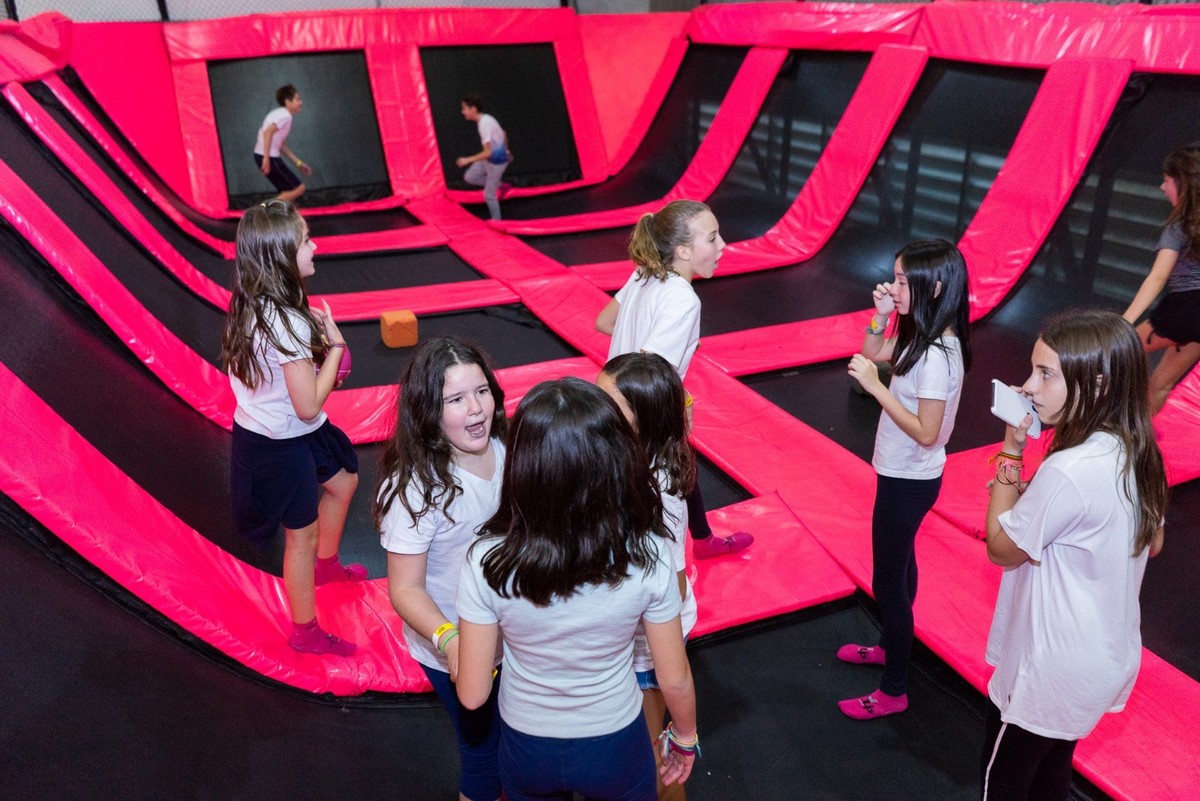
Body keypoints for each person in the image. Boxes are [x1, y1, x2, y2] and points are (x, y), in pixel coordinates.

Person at [455, 378, 698, 801]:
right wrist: (685, 736)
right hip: (613, 742)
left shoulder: (485, 559)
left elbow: (473, 694)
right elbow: (673, 678)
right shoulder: (649, 552)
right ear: (615, 458)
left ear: (523, 463)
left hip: (527, 745)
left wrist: (448, 641)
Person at [981, 310, 1167, 801]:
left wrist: (1010, 452)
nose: (1029, 386)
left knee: (1003, 784)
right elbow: (1152, 540)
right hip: (1100, 658)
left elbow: (1000, 549)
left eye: (1046, 374)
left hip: (1051, 665)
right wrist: (1045, 505)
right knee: (1051, 772)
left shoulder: (1071, 468)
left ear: (1097, 383)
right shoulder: (1139, 449)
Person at [220, 199, 365, 656]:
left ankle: (326, 566)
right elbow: (307, 404)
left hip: (286, 427)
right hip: (276, 442)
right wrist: (336, 348)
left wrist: (316, 356)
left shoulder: (259, 301)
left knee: (343, 481)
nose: (314, 246)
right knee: (301, 535)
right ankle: (305, 630)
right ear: (282, 257)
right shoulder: (284, 322)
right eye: (306, 241)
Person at [839, 239, 973, 719]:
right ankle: (890, 647)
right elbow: (872, 349)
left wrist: (876, 389)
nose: (892, 287)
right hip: (902, 474)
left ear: (932, 288)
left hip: (909, 479)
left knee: (888, 582)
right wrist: (880, 316)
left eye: (901, 281)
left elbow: (928, 433)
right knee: (901, 567)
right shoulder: (924, 336)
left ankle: (894, 689)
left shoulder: (936, 355)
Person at [375, 337, 507, 801]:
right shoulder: (418, 488)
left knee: (517, 738)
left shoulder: (506, 449)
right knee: (482, 752)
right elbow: (405, 589)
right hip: (454, 639)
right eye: (455, 400)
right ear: (429, 411)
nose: (475, 409)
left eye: (482, 391)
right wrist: (448, 639)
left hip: (511, 633)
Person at [594, 199, 753, 560]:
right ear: (683, 250)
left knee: (680, 458)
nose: (723, 245)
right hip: (641, 411)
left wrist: (656, 339)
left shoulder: (645, 273)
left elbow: (604, 322)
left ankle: (703, 537)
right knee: (656, 503)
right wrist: (683, 398)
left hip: (614, 401)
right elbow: (649, 369)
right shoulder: (683, 300)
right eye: (712, 238)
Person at [598, 352, 698, 801]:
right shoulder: (625, 460)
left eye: (609, 405)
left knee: (649, 751)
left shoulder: (659, 494)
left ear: (644, 421)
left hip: (649, 643)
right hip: (638, 633)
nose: (596, 410)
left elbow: (672, 587)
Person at [1121, 143, 1200, 415]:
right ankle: (1140, 432)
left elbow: (1157, 277)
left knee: (1121, 350)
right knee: (1162, 382)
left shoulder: (1179, 226)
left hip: (1185, 308)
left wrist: (1125, 321)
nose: (1162, 187)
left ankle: (1108, 421)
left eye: (1167, 180)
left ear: (1183, 184)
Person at [456, 94, 511, 221]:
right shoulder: (485, 120)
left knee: (489, 195)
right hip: (489, 159)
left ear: (473, 109)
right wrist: (507, 150)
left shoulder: (484, 124)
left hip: (497, 162)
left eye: (464, 108)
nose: (462, 112)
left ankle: (497, 221)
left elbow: (488, 153)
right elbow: (503, 133)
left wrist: (466, 160)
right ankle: (500, 185)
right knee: (470, 177)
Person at [253, 85, 312, 203]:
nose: (301, 102)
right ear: (287, 101)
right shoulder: (286, 116)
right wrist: (266, 159)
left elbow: (281, 145)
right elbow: (268, 132)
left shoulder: (279, 113)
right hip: (269, 157)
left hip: (262, 155)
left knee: (286, 192)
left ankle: (276, 212)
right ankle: (264, 210)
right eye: (297, 99)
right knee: (298, 189)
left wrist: (298, 163)